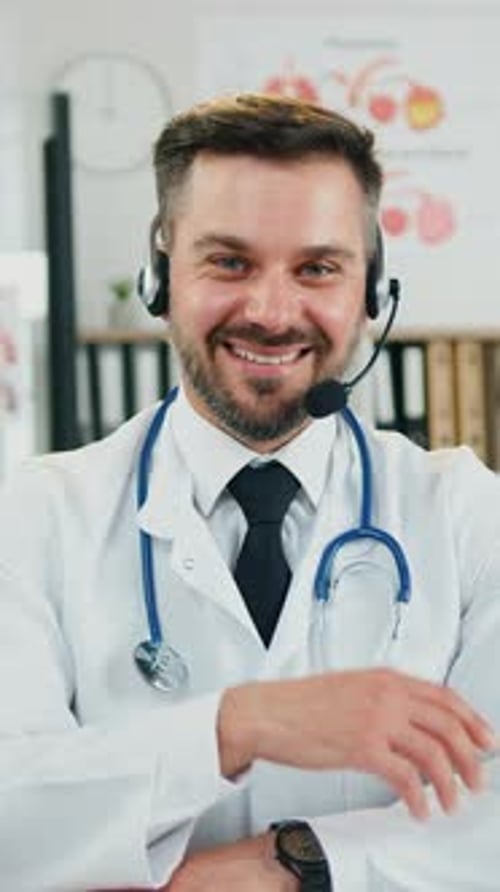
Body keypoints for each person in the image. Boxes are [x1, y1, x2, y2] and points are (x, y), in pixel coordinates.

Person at [1, 93, 500, 892]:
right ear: (161, 276)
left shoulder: (466, 514)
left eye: (317, 269)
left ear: (372, 290)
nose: (271, 312)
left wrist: (295, 864)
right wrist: (240, 725)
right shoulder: (31, 517)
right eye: (228, 262)